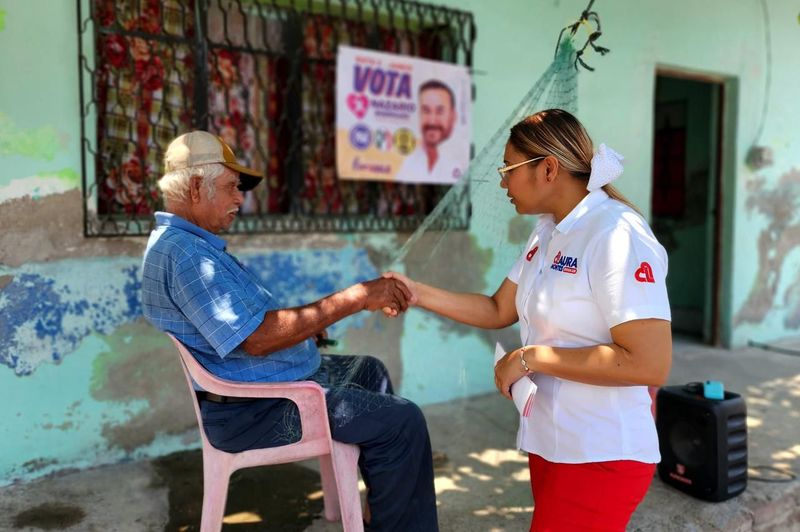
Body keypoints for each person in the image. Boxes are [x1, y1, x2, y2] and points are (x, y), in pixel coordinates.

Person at [386, 109, 672, 531]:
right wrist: (417, 293)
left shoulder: (616, 234)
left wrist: (530, 357)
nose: (502, 181)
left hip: (601, 451)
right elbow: (498, 308)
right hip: (554, 441)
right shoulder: (549, 230)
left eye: (508, 168)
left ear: (548, 168)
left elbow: (649, 363)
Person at [141, 130, 439, 531]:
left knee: (371, 371)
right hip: (256, 409)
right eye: (231, 188)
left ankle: (378, 513)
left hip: (262, 391)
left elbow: (247, 329)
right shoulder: (187, 255)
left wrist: (301, 333)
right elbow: (259, 338)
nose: (239, 200)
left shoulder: (188, 246)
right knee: (403, 422)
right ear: (196, 187)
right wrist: (356, 297)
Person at [394, 80, 464, 184]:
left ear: (453, 116)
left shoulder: (461, 163)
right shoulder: (405, 162)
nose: (432, 121)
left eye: (440, 111)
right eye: (426, 111)